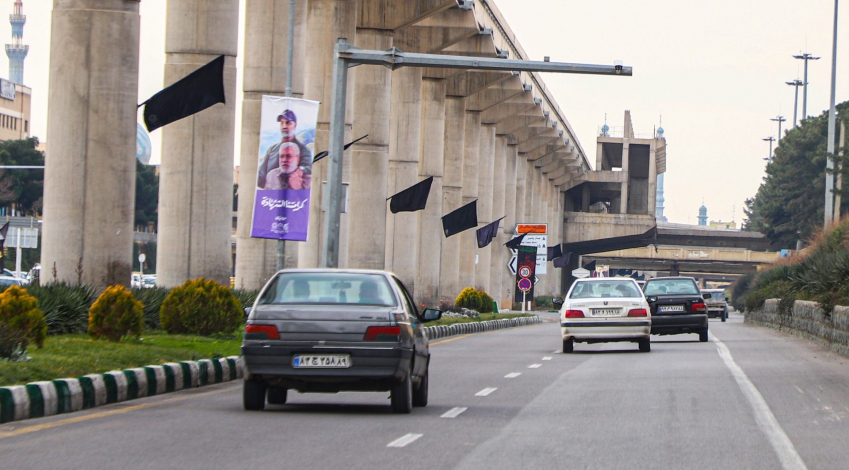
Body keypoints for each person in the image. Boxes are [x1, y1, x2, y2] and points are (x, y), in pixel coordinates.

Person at [257, 109, 312, 188]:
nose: (284, 126)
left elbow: (309, 167)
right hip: (273, 198)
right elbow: (261, 177)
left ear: (295, 125)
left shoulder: (303, 150)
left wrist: (301, 170)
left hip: (294, 197)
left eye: (288, 123)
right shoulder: (272, 150)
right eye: (282, 123)